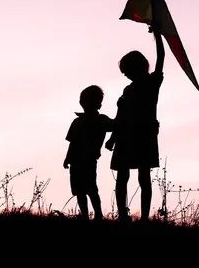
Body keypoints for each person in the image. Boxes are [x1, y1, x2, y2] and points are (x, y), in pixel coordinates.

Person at [105, 21, 165, 223]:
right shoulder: (128, 90)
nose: (125, 75)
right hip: (125, 136)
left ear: (136, 67)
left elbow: (161, 58)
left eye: (127, 70)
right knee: (122, 176)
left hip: (143, 135)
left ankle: (145, 217)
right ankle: (123, 214)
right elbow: (120, 115)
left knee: (143, 177)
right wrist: (113, 138)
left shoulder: (151, 83)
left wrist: (157, 35)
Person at [63, 85, 113, 221]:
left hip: (87, 160)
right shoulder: (84, 121)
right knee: (83, 190)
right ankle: (88, 214)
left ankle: (96, 214)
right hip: (79, 160)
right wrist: (67, 158)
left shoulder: (98, 120)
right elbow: (72, 143)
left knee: (89, 189)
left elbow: (117, 126)